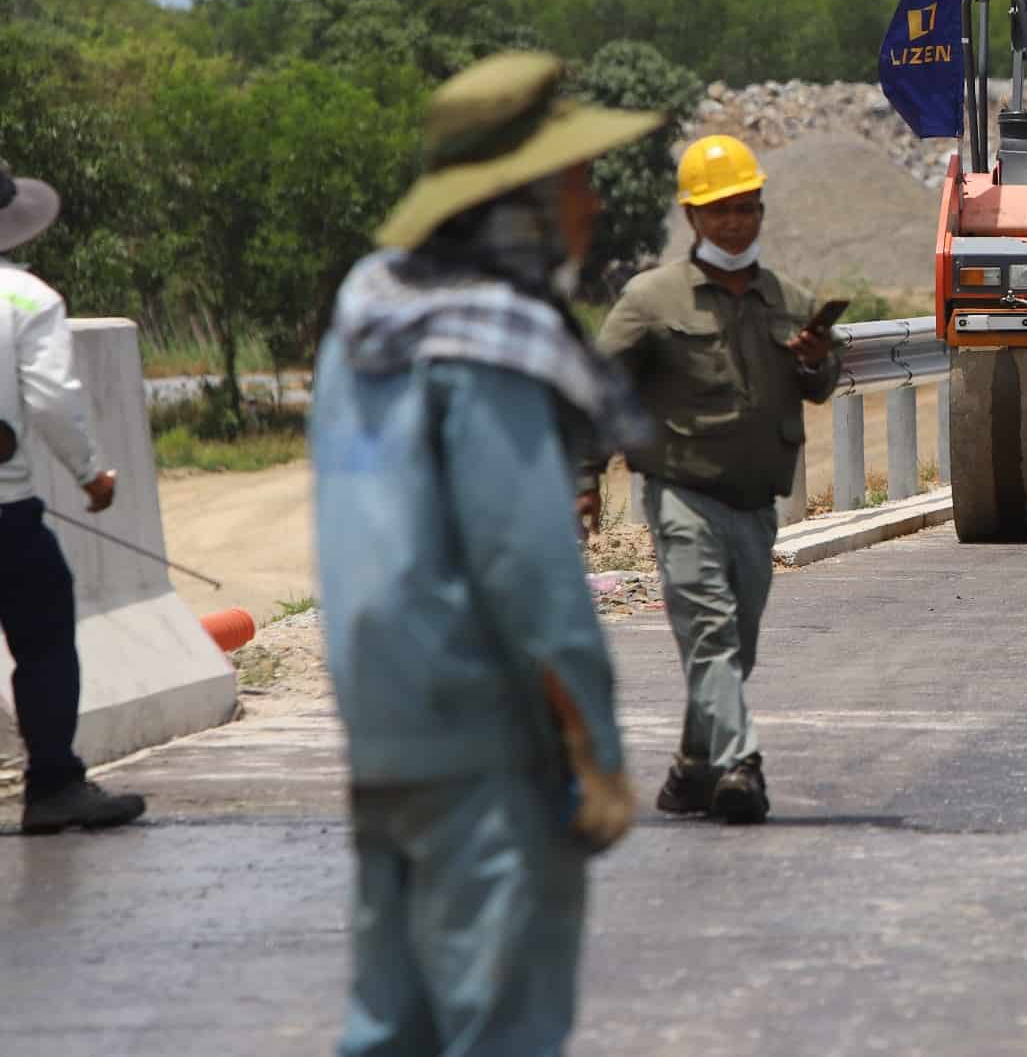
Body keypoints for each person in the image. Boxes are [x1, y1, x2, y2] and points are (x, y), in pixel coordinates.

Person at [310, 52, 662, 1055]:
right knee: (501, 1026)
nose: (590, 205)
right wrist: (593, 745)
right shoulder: (491, 342)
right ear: (524, 201)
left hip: (383, 730)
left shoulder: (363, 320)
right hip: (487, 743)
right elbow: (530, 571)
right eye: (576, 180)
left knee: (390, 1028)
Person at [591, 134, 840, 826]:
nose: (735, 222)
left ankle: (691, 769)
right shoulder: (650, 299)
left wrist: (817, 358)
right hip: (681, 497)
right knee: (710, 635)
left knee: (737, 646)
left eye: (746, 207)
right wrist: (585, 475)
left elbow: (821, 383)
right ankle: (741, 764)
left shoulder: (787, 298)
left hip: (756, 505)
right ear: (693, 217)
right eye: (720, 210)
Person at [0, 159, 146, 837]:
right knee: (45, 636)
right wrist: (91, 473)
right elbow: (54, 401)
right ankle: (54, 782)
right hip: (8, 515)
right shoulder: (27, 300)